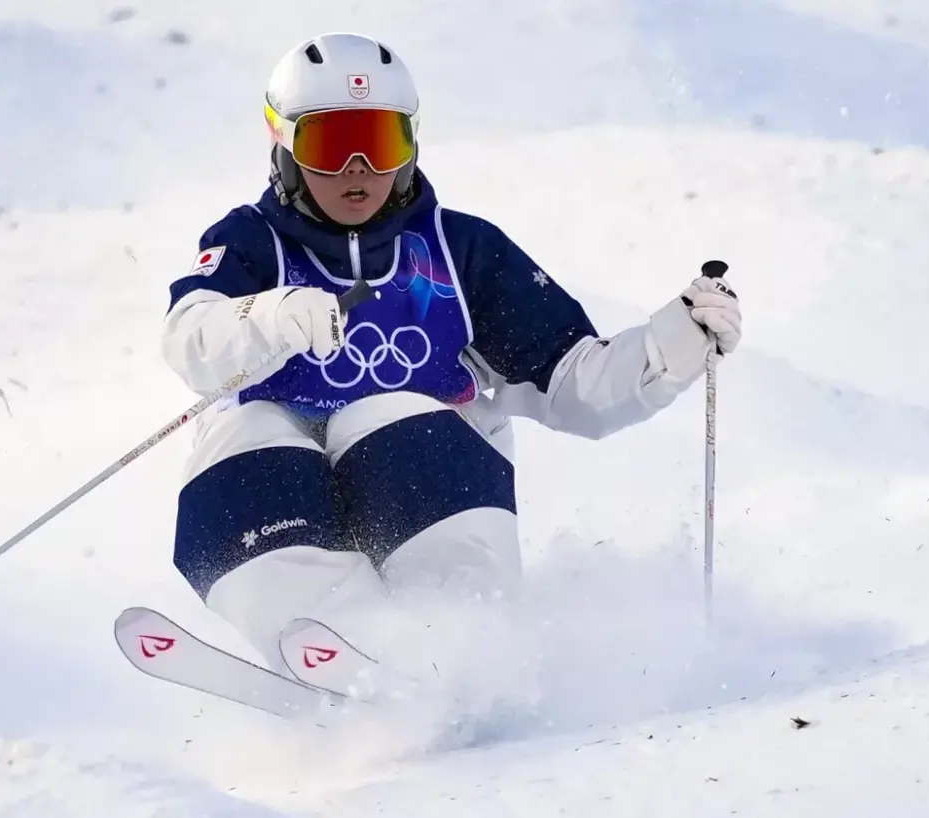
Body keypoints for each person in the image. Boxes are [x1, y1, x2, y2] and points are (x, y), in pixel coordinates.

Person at [161, 32, 742, 671]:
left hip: (430, 510)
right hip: (292, 507)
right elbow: (192, 340)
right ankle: (340, 644)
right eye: (330, 145)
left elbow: (575, 381)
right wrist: (264, 314)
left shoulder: (460, 251)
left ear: (410, 145)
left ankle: (457, 646)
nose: (358, 168)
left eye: (380, 143)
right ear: (285, 146)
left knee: (383, 415)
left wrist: (669, 346)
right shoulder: (250, 243)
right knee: (241, 433)